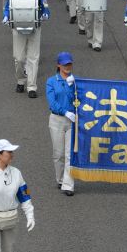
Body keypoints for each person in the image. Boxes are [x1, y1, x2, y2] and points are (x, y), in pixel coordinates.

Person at [2, 0, 50, 98]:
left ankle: (32, 86)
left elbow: (45, 6)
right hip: (18, 26)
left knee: (33, 57)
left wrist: (45, 14)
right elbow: (7, 6)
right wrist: (6, 16)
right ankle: (21, 80)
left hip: (35, 25)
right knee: (19, 58)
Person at [45, 52, 77, 196]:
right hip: (57, 119)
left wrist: (72, 87)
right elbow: (52, 103)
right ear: (58, 65)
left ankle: (68, 184)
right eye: (64, 64)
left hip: (72, 121)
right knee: (58, 153)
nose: (67, 66)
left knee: (70, 154)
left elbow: (77, 100)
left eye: (69, 64)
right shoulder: (51, 81)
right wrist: (65, 112)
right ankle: (60, 179)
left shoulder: (75, 82)